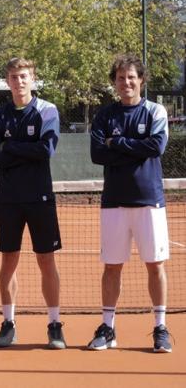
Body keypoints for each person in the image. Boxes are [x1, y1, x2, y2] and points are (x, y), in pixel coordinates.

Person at [88, 54, 172, 353]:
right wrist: (130, 148)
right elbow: (97, 154)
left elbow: (156, 146)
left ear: (141, 80)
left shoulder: (155, 111)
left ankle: (160, 328)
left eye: (131, 77)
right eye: (121, 78)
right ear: (115, 82)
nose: (126, 82)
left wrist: (117, 143)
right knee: (112, 267)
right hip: (114, 203)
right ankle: (108, 328)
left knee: (155, 265)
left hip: (149, 200)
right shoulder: (104, 116)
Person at [0, 57, 66, 349]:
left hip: (40, 197)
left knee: (46, 260)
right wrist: (23, 151)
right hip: (8, 199)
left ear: (33, 79)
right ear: (7, 81)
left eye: (24, 76)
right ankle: (8, 324)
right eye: (14, 76)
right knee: (9, 260)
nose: (19, 81)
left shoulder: (47, 111)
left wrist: (9, 146)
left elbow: (47, 149)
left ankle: (54, 325)